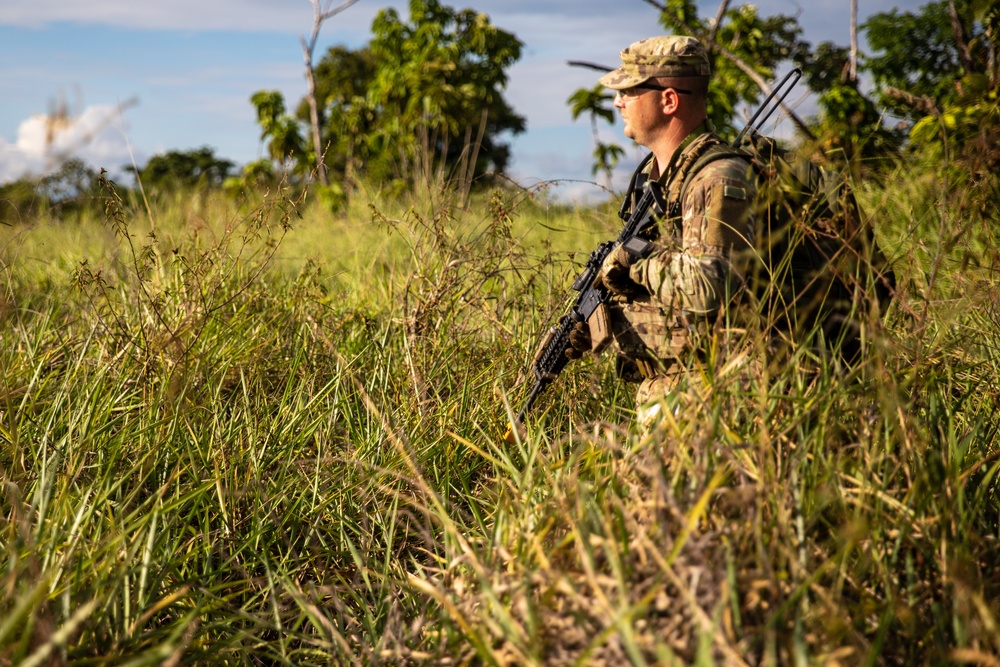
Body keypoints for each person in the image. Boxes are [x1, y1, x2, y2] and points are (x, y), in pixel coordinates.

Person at [566, 35, 757, 431]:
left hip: (717, 395)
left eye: (629, 91)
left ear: (669, 101)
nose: (618, 102)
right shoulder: (660, 184)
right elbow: (668, 294)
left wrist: (636, 262)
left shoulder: (717, 178)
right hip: (677, 391)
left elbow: (710, 285)